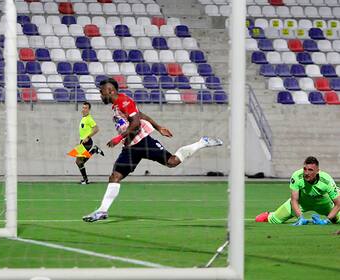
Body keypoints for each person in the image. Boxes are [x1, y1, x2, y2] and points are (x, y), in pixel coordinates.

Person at [82, 78, 223, 222]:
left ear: (110, 90)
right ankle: (102, 211)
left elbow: (136, 124)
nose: (100, 93)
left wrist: (118, 138)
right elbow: (140, 114)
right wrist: (158, 127)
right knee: (115, 177)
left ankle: (201, 143)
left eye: (102, 91)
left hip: (143, 142)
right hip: (130, 148)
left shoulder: (124, 101)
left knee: (172, 162)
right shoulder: (117, 106)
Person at [256, 156, 340, 225]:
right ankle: (269, 214)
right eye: (305, 169)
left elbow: (338, 204)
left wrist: (327, 221)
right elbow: (294, 200)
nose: (306, 173)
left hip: (324, 204)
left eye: (310, 170)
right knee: (273, 220)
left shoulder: (327, 180)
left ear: (318, 171)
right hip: (302, 203)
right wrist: (300, 217)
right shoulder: (297, 176)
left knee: (337, 221)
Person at [76, 101, 104, 185]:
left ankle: (86, 180)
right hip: (82, 141)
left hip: (87, 142)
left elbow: (96, 129)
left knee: (78, 162)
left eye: (86, 108)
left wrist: (88, 137)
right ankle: (94, 150)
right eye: (83, 107)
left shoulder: (89, 118)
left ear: (89, 110)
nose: (84, 109)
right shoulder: (84, 118)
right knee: (79, 162)